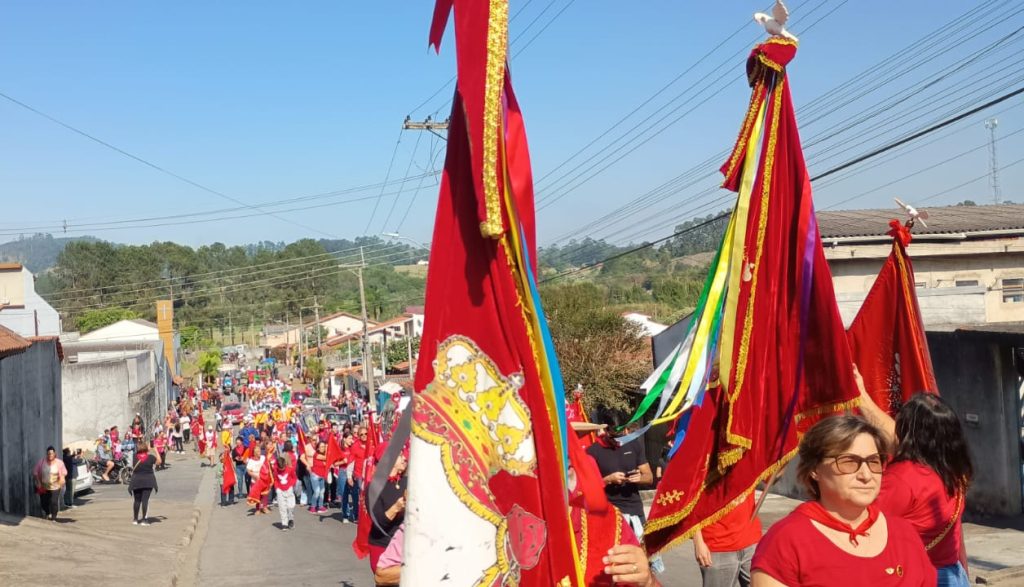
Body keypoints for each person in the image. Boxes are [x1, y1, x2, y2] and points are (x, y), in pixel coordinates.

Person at [751, 415, 936, 586]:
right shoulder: (786, 541)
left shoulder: (904, 533)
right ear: (815, 469)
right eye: (849, 462)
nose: (866, 475)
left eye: (874, 462)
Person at [859, 387, 974, 586]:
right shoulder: (954, 468)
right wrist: (861, 394)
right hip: (953, 573)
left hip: (920, 576)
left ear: (906, 432)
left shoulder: (902, 478)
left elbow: (864, 526)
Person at [586, 409, 658, 570]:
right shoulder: (593, 451)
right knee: (614, 561)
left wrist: (640, 478)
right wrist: (608, 480)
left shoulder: (634, 445)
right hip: (609, 512)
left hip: (634, 511)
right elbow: (586, 486)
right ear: (606, 430)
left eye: (622, 433)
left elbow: (649, 477)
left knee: (642, 560)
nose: (620, 439)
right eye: (615, 435)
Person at [692, 493, 761, 587]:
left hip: (751, 541)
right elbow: (689, 501)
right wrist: (698, 542)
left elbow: (767, 483)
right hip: (717, 546)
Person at [368, 451, 408, 573]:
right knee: (388, 580)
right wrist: (396, 507)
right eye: (400, 455)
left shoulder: (407, 482)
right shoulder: (374, 487)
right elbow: (378, 523)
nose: (404, 458)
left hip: (405, 545)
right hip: (383, 546)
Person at [129, 440, 161, 525]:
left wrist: (146, 449)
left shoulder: (134, 456)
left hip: (136, 481)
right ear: (146, 448)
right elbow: (159, 462)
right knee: (145, 500)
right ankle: (144, 520)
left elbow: (140, 456)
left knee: (137, 500)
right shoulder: (150, 457)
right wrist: (155, 450)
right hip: (148, 481)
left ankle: (135, 519)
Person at [33, 446, 67, 522]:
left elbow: (64, 472)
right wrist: (38, 481)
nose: (50, 455)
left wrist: (62, 478)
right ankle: (47, 513)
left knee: (54, 502)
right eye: (48, 453)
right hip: (44, 487)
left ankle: (54, 517)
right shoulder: (42, 462)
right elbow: (35, 472)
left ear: (54, 454)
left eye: (51, 453)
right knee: (44, 502)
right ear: (47, 454)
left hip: (56, 486)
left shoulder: (59, 463)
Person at [273, 454, 298, 530]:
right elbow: (275, 480)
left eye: (283, 468)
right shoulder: (276, 470)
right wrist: (277, 488)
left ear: (285, 464)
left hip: (289, 489)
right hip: (280, 490)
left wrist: (291, 485)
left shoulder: (290, 469)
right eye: (280, 468)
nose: (281, 470)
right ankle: (284, 523)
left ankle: (291, 519)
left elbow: (294, 478)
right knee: (282, 507)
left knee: (291, 506)